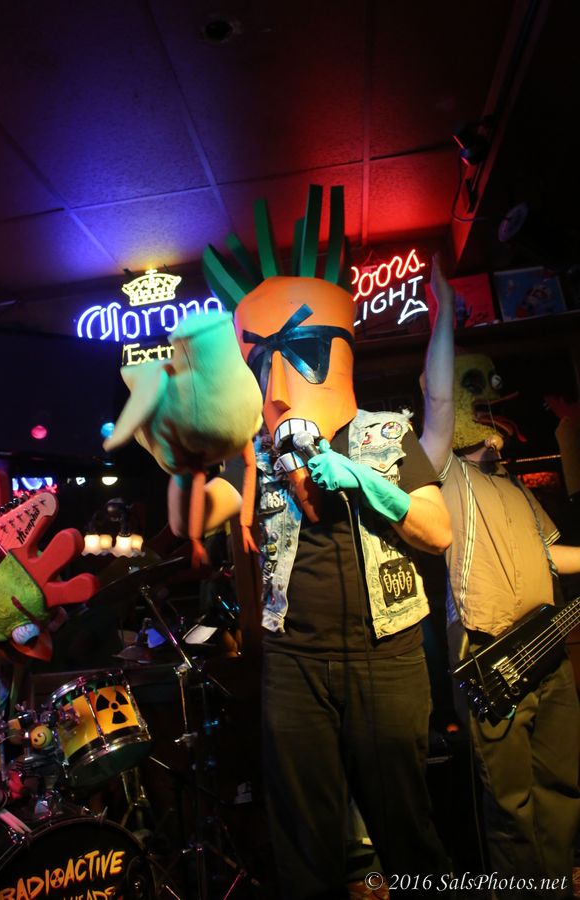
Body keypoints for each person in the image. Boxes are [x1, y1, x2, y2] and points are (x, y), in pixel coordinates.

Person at [169, 187, 453, 898]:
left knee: (406, 829)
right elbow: (194, 521)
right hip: (295, 664)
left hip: (388, 658)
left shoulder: (386, 434)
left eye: (295, 353)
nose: (278, 380)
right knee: (304, 841)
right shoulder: (256, 458)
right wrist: (183, 457)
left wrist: (364, 480)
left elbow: (438, 531)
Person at [420, 255, 580, 898]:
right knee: (510, 803)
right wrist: (443, 313)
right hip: (491, 654)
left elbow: (553, 556)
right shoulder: (445, 474)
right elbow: (437, 402)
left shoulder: (515, 487)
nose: (493, 404)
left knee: (563, 784)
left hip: (549, 647)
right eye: (477, 392)